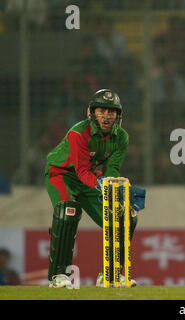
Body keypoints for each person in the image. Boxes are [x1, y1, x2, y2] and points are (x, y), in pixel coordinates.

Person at [45, 89, 146, 288]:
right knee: (68, 212)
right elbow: (81, 170)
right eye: (102, 111)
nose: (106, 116)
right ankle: (58, 276)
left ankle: (110, 275)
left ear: (118, 115)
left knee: (123, 217)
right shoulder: (78, 133)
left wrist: (113, 189)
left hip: (89, 178)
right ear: (92, 113)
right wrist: (103, 185)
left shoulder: (121, 137)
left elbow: (112, 169)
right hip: (62, 175)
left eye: (111, 112)